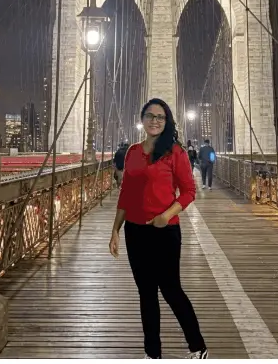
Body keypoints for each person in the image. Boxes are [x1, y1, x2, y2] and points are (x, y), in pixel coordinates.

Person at [109, 99, 208, 360]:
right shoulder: (132, 152)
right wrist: (115, 230)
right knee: (146, 294)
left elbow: (188, 192)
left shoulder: (175, 152)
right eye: (150, 116)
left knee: (171, 290)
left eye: (160, 117)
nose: (155, 120)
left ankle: (198, 347)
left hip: (165, 232)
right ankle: (152, 354)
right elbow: (126, 193)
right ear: (142, 119)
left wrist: (166, 216)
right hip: (135, 231)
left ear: (167, 122)